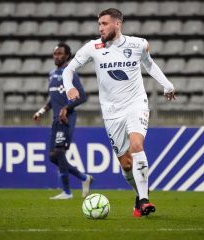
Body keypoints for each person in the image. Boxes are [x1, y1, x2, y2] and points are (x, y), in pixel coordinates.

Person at [62, 9, 176, 216]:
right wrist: (69, 86)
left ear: (117, 24)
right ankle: (139, 192)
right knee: (126, 164)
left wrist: (167, 85)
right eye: (99, 24)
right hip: (111, 111)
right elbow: (68, 70)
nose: (100, 28)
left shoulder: (138, 44)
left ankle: (144, 200)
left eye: (104, 24)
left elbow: (149, 64)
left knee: (136, 144)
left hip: (136, 103)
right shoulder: (93, 47)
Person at [33, 42, 93, 200]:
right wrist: (41, 111)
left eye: (60, 53)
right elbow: (53, 99)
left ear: (67, 56)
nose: (57, 56)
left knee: (59, 152)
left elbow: (82, 96)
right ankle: (84, 178)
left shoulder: (70, 73)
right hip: (55, 119)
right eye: (55, 54)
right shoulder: (52, 74)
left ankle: (67, 192)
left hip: (66, 119)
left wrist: (67, 108)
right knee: (53, 157)